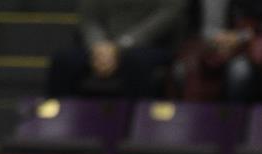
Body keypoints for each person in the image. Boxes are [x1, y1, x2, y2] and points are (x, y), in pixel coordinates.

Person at [45, 0, 189, 99]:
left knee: (135, 61)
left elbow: (168, 14)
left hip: (152, 45)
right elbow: (89, 18)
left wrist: (121, 46)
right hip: (103, 46)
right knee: (63, 61)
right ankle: (59, 125)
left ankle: (136, 129)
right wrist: (98, 45)